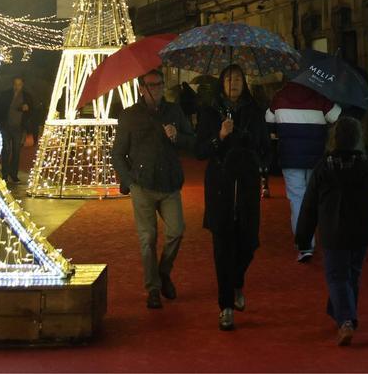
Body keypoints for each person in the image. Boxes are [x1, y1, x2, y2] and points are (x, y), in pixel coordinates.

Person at [295, 116, 368, 346]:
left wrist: (303, 236)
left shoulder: (324, 167)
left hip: (333, 229)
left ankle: (345, 321)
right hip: (361, 230)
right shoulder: (367, 163)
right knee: (351, 274)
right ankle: (343, 314)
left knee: (337, 276)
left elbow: (309, 204)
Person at [110, 69, 195, 309]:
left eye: (159, 84)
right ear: (140, 89)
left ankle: (163, 271)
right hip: (142, 184)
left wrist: (177, 136)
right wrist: (128, 180)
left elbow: (193, 141)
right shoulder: (129, 116)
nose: (155, 89)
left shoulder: (174, 111)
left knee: (176, 231)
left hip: (169, 183)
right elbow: (118, 153)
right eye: (150, 85)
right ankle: (153, 288)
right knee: (147, 238)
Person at [195, 64, 268, 331]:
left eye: (238, 78)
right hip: (220, 186)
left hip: (247, 184)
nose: (233, 83)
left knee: (249, 242)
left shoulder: (254, 112)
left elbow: (265, 148)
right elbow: (200, 150)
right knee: (222, 248)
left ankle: (237, 280)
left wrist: (250, 145)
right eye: (228, 79)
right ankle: (225, 305)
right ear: (221, 83)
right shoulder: (210, 112)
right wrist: (220, 136)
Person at [265, 80, 341, 262]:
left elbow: (268, 120)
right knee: (319, 198)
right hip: (317, 159)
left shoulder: (279, 97)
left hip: (290, 157)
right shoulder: (320, 97)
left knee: (297, 199)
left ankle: (305, 245)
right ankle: (328, 238)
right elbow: (338, 116)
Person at [0, 76, 31, 182]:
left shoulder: (26, 96)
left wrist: (27, 109)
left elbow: (32, 111)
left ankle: (13, 173)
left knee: (16, 151)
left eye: (19, 84)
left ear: (22, 85)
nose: (17, 87)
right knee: (6, 150)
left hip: (18, 127)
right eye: (15, 84)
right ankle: (5, 174)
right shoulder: (5, 95)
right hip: (5, 125)